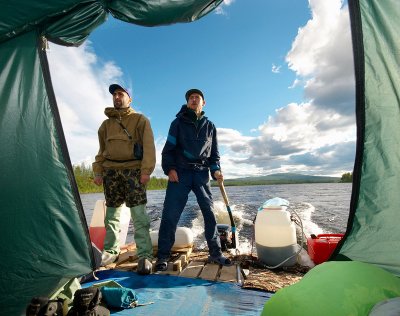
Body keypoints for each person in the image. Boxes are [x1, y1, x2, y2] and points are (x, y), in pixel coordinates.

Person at [155, 88, 231, 271]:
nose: (194, 99)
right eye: (191, 98)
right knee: (170, 214)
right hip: (180, 173)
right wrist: (170, 169)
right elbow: (168, 150)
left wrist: (216, 171)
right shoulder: (177, 123)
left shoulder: (210, 126)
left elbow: (214, 155)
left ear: (203, 103)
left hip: (202, 174)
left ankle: (215, 253)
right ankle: (163, 256)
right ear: (187, 102)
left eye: (197, 97)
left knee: (209, 213)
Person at [92, 84, 156, 274]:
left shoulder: (140, 120)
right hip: (111, 172)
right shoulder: (105, 125)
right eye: (114, 95)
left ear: (129, 99)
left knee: (139, 215)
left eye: (121, 94)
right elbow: (101, 151)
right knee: (111, 216)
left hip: (133, 172)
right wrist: (98, 171)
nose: (117, 97)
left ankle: (144, 254)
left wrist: (146, 171)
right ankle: (111, 251)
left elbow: (149, 147)